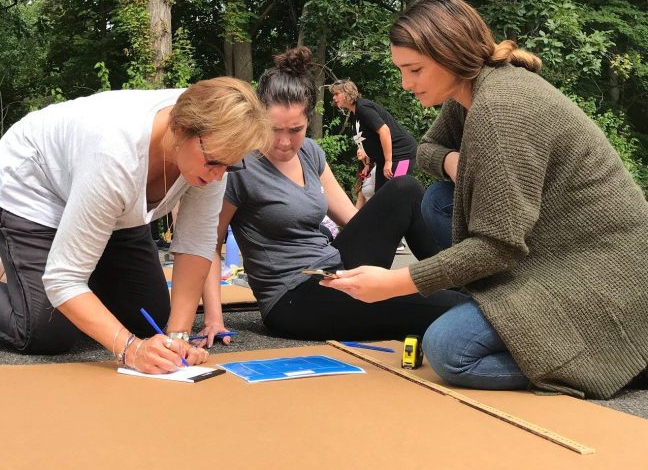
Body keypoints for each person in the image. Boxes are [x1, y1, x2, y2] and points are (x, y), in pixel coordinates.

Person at [321, 0, 648, 400]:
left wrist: (395, 283)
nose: (407, 84)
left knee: (449, 351)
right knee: (439, 200)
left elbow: (497, 248)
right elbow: (426, 150)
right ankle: (528, 317)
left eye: (415, 70)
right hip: (557, 252)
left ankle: (619, 355)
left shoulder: (501, 108)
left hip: (616, 275)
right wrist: (458, 163)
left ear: (451, 53)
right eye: (402, 71)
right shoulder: (471, 94)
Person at [0, 78, 271, 375]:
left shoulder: (216, 148)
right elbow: (63, 278)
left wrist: (177, 339)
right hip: (31, 189)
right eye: (212, 163)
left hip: (112, 208)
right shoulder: (116, 151)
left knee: (148, 314)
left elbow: (195, 243)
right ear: (180, 130)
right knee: (46, 330)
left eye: (229, 166)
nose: (217, 176)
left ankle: (35, 273)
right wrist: (129, 349)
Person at [198, 48, 465, 347]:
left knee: (405, 189)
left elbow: (354, 221)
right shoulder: (241, 166)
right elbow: (209, 244)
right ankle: (464, 300)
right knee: (456, 309)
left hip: (335, 267)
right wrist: (213, 318)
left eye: (295, 130)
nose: (285, 142)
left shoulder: (311, 152)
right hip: (294, 297)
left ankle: (456, 275)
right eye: (275, 130)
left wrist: (388, 258)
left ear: (309, 120)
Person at [331, 80, 417, 193]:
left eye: (337, 94)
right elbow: (365, 141)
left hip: (402, 155)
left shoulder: (363, 107)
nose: (333, 98)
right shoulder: (354, 114)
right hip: (383, 160)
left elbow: (384, 131)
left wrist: (388, 161)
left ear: (347, 93)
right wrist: (368, 163)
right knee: (381, 197)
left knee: (396, 193)